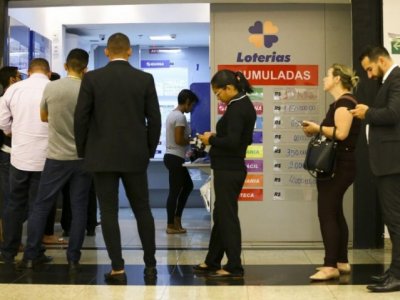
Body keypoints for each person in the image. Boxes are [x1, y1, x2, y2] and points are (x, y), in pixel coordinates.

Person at [74, 32, 161, 284]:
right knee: (143, 209)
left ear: (108, 52)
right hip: (135, 156)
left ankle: (117, 268)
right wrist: (148, 150)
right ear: (130, 51)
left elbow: (81, 118)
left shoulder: (92, 78)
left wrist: (84, 151)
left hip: (101, 156)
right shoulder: (144, 79)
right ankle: (151, 265)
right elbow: (154, 119)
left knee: (109, 212)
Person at [18, 49, 92, 272]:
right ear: (85, 69)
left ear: (66, 66)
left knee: (41, 206)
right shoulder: (89, 90)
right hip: (82, 158)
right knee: (79, 208)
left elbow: (43, 117)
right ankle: (73, 259)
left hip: (55, 157)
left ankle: (30, 256)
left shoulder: (52, 87)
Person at [194, 70, 256, 278]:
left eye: (218, 93)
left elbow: (232, 142)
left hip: (229, 169)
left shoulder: (238, 108)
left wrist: (210, 140)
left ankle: (234, 266)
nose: (217, 97)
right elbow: (235, 138)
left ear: (229, 88)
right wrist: (215, 136)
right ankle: (212, 261)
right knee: (221, 216)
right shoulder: (238, 104)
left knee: (227, 217)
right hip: (228, 167)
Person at [301, 64, 361, 281]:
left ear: (337, 79)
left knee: (326, 212)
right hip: (340, 165)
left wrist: (317, 128)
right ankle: (341, 261)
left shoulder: (344, 103)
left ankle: (330, 265)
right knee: (335, 212)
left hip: (338, 166)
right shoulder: (342, 103)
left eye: (328, 75)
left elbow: (342, 133)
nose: (324, 79)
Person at [351, 46, 400, 293]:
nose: (369, 75)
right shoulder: (388, 80)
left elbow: (393, 114)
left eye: (370, 68)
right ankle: (394, 271)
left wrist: (366, 112)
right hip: (387, 162)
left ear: (381, 60)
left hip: (393, 163)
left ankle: (398, 275)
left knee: (395, 220)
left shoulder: (397, 78)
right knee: (393, 220)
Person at [0, 58, 52, 264]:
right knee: (38, 206)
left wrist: (11, 131)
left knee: (14, 204)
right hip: (45, 156)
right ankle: (34, 252)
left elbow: (2, 120)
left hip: (18, 156)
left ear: (29, 71)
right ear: (49, 72)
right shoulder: (52, 88)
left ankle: (8, 252)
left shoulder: (14, 89)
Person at [164, 89, 198, 234]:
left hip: (172, 157)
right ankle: (171, 224)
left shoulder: (172, 114)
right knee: (175, 192)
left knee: (187, 186)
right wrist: (192, 140)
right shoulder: (180, 117)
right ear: (187, 102)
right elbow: (179, 140)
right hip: (175, 157)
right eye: (192, 105)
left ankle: (175, 220)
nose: (192, 108)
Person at [0, 66, 22, 243]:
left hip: (10, 153)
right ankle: (9, 241)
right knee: (10, 200)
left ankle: (9, 239)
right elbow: (6, 129)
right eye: (18, 76)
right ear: (12, 80)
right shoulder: (8, 100)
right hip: (9, 153)